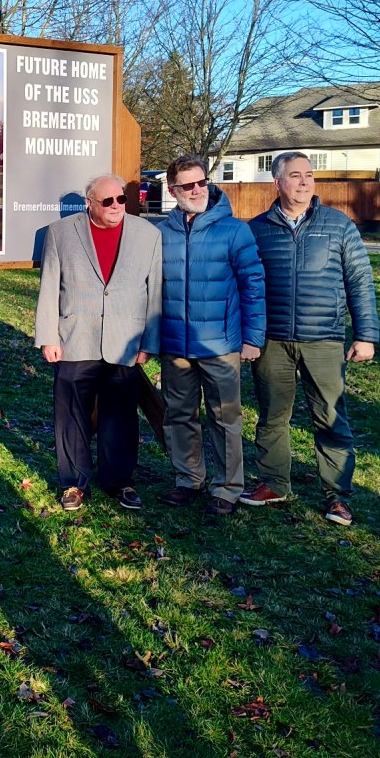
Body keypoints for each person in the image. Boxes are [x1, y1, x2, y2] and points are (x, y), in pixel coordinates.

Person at [241, 151, 379, 525]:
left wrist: (366, 335)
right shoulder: (257, 229)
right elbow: (245, 286)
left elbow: (360, 283)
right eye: (295, 175)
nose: (304, 182)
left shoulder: (338, 226)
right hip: (273, 340)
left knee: (331, 417)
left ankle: (338, 496)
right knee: (272, 416)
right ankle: (273, 483)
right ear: (278, 182)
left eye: (309, 175)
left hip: (324, 339)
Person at [35, 174, 162, 513]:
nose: (117, 206)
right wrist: (48, 335)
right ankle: (74, 483)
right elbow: (49, 285)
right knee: (71, 414)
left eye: (121, 199)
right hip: (76, 338)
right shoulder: (61, 233)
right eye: (108, 201)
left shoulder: (148, 235)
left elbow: (155, 293)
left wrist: (149, 341)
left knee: (120, 416)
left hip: (127, 342)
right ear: (89, 203)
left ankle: (119, 481)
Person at [159, 155, 265, 517]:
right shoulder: (161, 232)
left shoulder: (235, 230)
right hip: (175, 345)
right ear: (173, 191)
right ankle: (188, 479)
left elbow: (253, 286)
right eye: (188, 185)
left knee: (225, 418)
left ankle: (227, 487)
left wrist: (253, 338)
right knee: (178, 416)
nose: (198, 190)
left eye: (202, 181)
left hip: (221, 345)